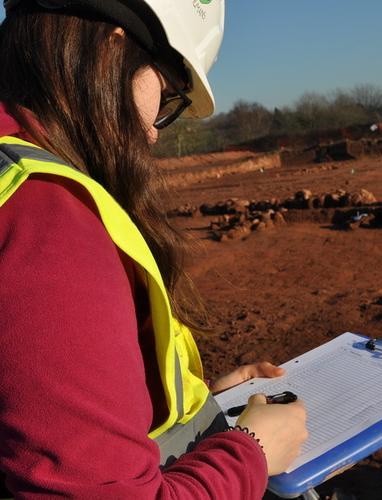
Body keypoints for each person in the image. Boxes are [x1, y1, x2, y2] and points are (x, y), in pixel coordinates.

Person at [0, 1, 308, 498]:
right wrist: (252, 450)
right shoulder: (49, 221)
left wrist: (195, 412)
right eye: (165, 95)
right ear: (113, 46)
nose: (150, 131)